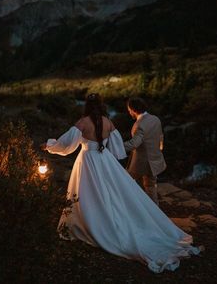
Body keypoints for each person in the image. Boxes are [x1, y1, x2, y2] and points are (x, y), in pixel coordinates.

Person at [41, 93, 201, 273]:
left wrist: (49, 145)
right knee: (111, 192)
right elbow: (117, 149)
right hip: (105, 161)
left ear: (87, 105)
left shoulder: (82, 123)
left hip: (87, 161)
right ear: (101, 105)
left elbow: (66, 145)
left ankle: (89, 221)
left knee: (87, 192)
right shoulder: (109, 123)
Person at [124, 97, 166, 205]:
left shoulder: (139, 125)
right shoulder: (155, 119)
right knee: (151, 187)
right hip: (155, 159)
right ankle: (154, 212)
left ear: (133, 109)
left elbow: (134, 144)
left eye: (129, 110)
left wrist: (116, 146)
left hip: (141, 163)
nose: (129, 112)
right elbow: (160, 137)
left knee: (126, 182)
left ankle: (136, 210)